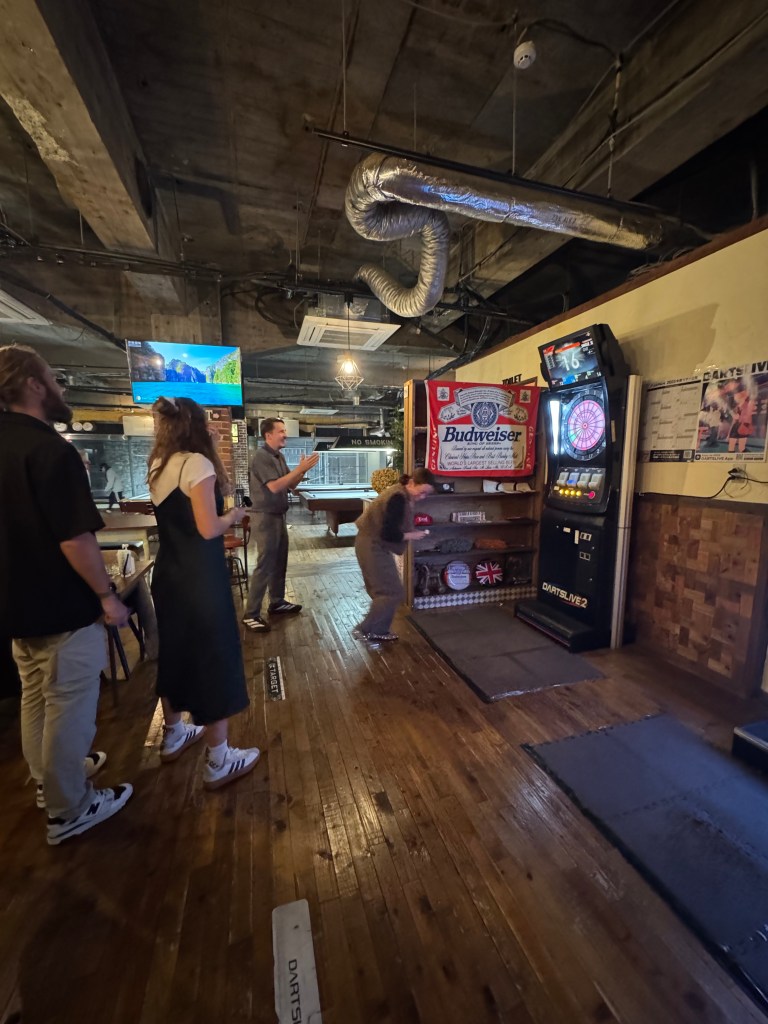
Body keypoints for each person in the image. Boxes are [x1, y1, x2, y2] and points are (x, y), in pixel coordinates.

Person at [0, 344, 133, 845]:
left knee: (36, 697)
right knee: (69, 707)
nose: (60, 387)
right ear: (32, 385)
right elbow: (75, 538)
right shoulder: (49, 451)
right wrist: (107, 595)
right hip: (59, 604)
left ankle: (48, 784)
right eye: (53, 378)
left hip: (15, 606)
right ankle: (69, 808)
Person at [148, 395, 260, 789]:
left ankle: (174, 733)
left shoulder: (159, 465)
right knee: (215, 658)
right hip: (200, 577)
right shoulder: (197, 463)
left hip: (169, 574)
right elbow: (209, 528)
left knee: (176, 653)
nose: (214, 428)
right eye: (208, 422)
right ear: (195, 424)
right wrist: (235, 514)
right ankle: (218, 759)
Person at [241, 417, 319, 632]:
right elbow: (275, 487)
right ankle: (251, 614)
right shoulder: (261, 457)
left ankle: (276, 601)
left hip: (278, 515)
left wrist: (302, 471)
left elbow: (291, 485)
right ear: (268, 435)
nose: (285, 434)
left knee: (279, 561)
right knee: (265, 565)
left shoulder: (279, 456)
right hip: (264, 516)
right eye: (281, 431)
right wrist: (299, 468)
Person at [353, 468, 436, 643]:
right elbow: (388, 534)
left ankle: (379, 631)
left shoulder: (402, 494)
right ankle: (364, 629)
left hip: (371, 543)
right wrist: (413, 535)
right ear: (411, 483)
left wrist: (410, 530)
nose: (422, 498)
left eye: (426, 495)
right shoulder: (398, 497)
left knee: (387, 591)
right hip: (372, 544)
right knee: (390, 592)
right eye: (421, 493)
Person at [727, 383, 756, 454]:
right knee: (732, 448)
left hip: (744, 426)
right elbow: (734, 420)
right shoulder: (737, 406)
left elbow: (749, 415)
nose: (735, 396)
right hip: (737, 426)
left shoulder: (749, 403)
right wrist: (728, 433)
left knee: (741, 448)